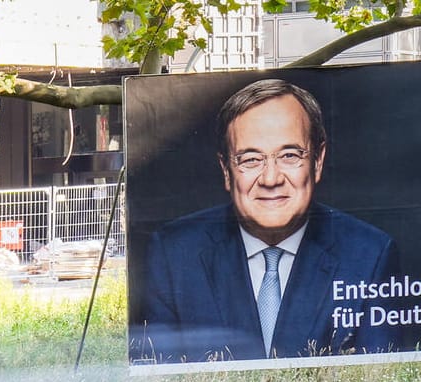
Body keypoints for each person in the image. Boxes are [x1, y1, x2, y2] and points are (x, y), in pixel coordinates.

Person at [131, 78, 399, 364]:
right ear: (226, 170)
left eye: (289, 155)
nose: (271, 179)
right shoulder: (174, 253)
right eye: (250, 159)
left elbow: (377, 381)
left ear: (318, 161)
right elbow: (160, 381)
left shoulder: (370, 253)